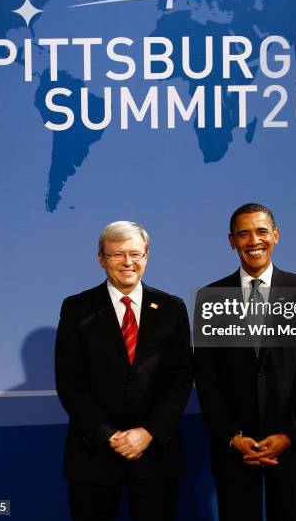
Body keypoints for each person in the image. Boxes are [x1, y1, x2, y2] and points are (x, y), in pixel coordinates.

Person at [194, 203, 296, 521]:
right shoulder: (210, 297)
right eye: (244, 234)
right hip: (235, 451)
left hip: (291, 449)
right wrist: (232, 437)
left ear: (276, 236)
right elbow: (207, 379)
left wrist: (288, 435)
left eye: (262, 231)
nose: (254, 240)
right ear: (231, 241)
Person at [55, 221, 193, 521]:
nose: (128, 262)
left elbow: (181, 379)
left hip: (154, 454)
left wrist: (148, 432)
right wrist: (109, 435)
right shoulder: (77, 308)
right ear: (101, 259)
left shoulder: (172, 308)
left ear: (146, 256)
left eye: (136, 254)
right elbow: (69, 381)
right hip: (94, 454)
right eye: (117, 254)